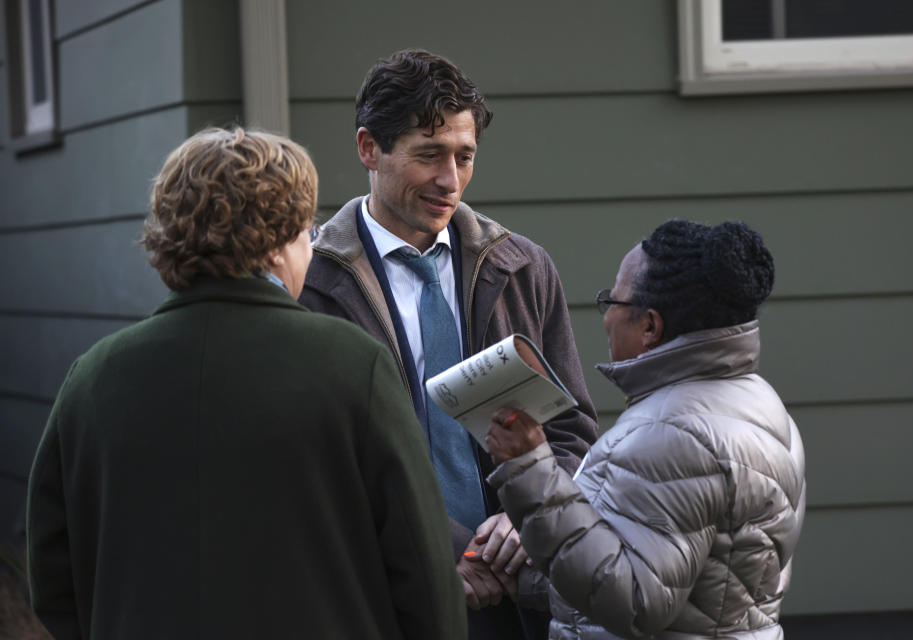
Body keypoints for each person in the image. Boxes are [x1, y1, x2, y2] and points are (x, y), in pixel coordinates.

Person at [26, 128, 466, 639]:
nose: (311, 245)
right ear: (279, 240)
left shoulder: (93, 378)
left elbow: (53, 580)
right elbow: (426, 577)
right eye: (309, 231)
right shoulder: (352, 366)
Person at [299, 49, 598, 639]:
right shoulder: (310, 280)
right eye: (429, 155)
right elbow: (315, 465)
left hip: (518, 593)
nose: (450, 181)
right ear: (368, 148)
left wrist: (530, 515)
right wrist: (439, 548)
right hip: (384, 599)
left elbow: (571, 431)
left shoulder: (522, 268)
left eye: (465, 158)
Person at [485, 220, 806, 639]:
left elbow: (635, 602)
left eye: (612, 300)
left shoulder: (674, 434)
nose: (606, 319)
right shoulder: (755, 401)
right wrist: (521, 578)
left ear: (650, 326)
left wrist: (530, 472)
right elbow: (700, 585)